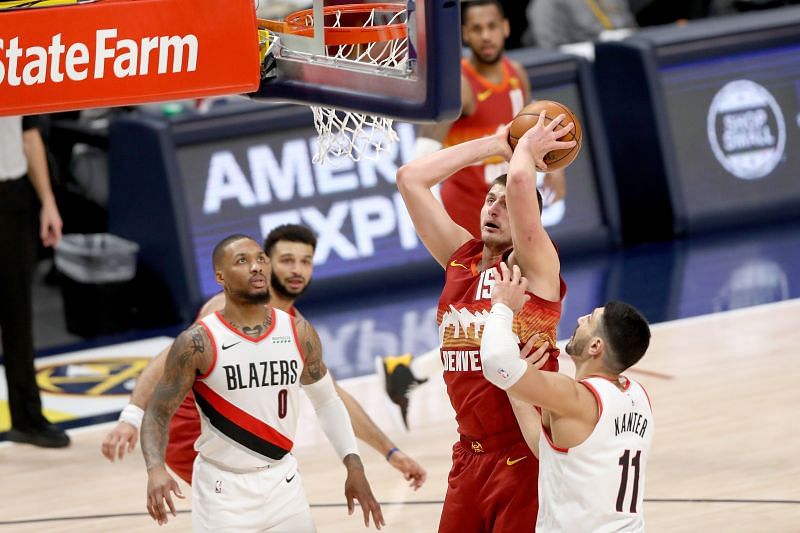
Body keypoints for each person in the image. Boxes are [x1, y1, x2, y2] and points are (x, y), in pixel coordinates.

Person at [102, 224, 426, 491]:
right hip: (198, 438)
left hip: (246, 442)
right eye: (287, 260)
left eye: (306, 261)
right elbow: (163, 362)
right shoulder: (226, 310)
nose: (297, 270)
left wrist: (390, 452)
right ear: (265, 263)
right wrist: (130, 418)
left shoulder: (293, 326)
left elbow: (333, 397)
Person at [378, 0, 567, 424]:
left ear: (505, 28)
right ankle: (413, 369)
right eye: (475, 28)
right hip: (470, 209)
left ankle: (407, 369)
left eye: (490, 26)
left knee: (500, 313)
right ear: (464, 34)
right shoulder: (459, 83)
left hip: (514, 207)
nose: (484, 35)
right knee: (482, 310)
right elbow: (425, 148)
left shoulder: (518, 76)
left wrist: (554, 169)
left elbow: (532, 148)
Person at [395, 107, 575, 531]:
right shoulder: (461, 259)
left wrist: (525, 151)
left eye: (507, 205)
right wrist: (496, 144)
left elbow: (517, 182)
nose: (494, 207)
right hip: (468, 455)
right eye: (489, 200)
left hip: (523, 452)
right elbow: (410, 178)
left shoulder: (536, 269)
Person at [141, 234, 384, 531]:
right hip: (222, 491)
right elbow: (157, 411)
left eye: (260, 259)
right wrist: (155, 469)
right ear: (220, 276)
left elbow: (327, 402)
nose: (255, 267)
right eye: (242, 261)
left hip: (284, 483)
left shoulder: (298, 332)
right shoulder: (198, 341)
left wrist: (354, 465)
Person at [481, 262, 654, 532]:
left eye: (590, 320)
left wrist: (503, 305)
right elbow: (551, 451)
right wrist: (518, 393)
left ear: (596, 346)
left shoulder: (576, 397)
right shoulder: (638, 395)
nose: (579, 319)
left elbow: (495, 363)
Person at [1, 115, 68, 448]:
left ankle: (27, 418)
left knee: (17, 314)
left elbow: (29, 136)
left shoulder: (16, 66)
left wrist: (47, 202)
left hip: (11, 194)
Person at [526, 0, 637, 49]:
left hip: (628, 53)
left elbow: (630, 24)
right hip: (588, 68)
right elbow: (548, 48)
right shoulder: (546, 3)